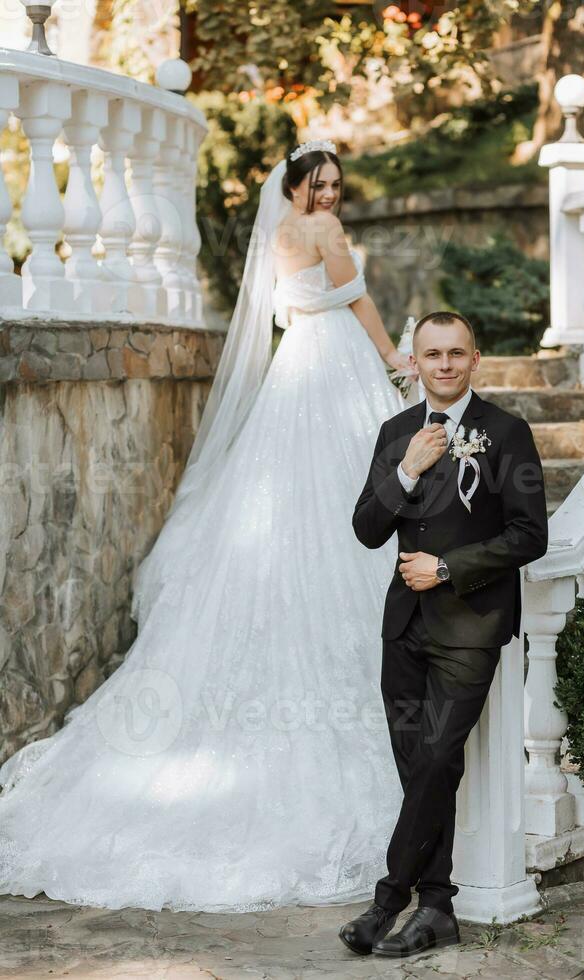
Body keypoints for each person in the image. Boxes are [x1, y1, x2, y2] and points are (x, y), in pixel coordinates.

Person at [0, 140, 416, 913]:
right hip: (333, 370)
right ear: (297, 186)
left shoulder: (275, 234)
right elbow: (356, 301)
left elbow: (286, 309)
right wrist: (396, 357)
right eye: (319, 185)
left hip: (295, 373)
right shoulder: (323, 235)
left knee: (291, 502)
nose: (330, 197)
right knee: (348, 504)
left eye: (335, 186)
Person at [339, 311, 548, 958]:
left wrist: (449, 568)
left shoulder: (507, 433)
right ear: (415, 362)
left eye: (457, 353)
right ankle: (435, 908)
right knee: (421, 771)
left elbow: (529, 534)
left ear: (475, 359)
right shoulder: (397, 432)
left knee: (433, 760)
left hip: (471, 627)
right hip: (402, 627)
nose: (446, 365)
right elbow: (367, 527)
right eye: (433, 355)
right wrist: (405, 471)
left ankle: (387, 900)